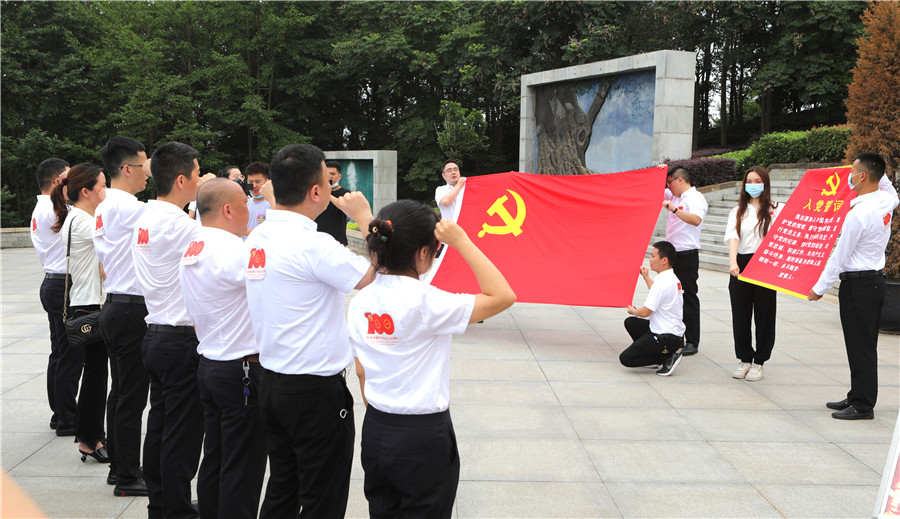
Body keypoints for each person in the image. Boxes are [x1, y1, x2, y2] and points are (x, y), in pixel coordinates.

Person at [348, 200, 515, 518]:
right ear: (423, 252)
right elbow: (503, 295)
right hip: (422, 436)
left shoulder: (360, 302)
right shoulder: (427, 301)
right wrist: (462, 242)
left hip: (377, 427)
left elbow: (360, 371)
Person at [244, 143, 376, 517]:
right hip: (314, 393)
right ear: (316, 191)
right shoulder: (314, 245)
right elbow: (372, 275)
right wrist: (364, 217)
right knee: (323, 498)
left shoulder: (258, 237)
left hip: (272, 383)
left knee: (283, 488)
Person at [179, 179, 266, 519]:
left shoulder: (195, 244)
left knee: (215, 457)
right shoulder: (232, 250)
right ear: (228, 209)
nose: (250, 211)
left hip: (212, 363)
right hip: (240, 368)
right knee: (242, 466)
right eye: (245, 203)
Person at [132, 142, 204, 518]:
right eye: (197, 174)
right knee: (182, 434)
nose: (200, 180)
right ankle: (176, 510)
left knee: (160, 425)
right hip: (179, 340)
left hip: (157, 334)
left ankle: (160, 503)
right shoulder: (180, 226)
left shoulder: (146, 217)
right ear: (181, 180)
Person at [809, 152, 899, 420]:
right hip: (872, 282)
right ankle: (857, 394)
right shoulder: (886, 200)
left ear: (862, 176)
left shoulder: (859, 214)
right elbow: (888, 187)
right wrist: (877, 170)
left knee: (860, 346)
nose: (849, 176)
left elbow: (840, 256)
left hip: (858, 285)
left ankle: (863, 405)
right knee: (862, 344)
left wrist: (819, 288)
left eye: (853, 171)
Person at [95, 136, 151, 495]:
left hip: (117, 304)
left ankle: (121, 466)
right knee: (131, 397)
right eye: (144, 165)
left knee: (120, 393)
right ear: (127, 168)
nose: (148, 172)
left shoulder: (107, 205)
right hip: (131, 308)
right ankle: (128, 476)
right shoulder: (129, 207)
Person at [50, 163, 110, 464]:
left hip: (85, 302)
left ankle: (90, 436)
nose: (106, 191)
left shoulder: (76, 218)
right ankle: (90, 438)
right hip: (90, 305)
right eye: (103, 185)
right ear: (86, 191)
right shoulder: (85, 222)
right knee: (96, 377)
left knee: (95, 376)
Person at [30, 158, 76, 436]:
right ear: (59, 180)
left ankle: (60, 413)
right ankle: (67, 418)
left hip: (54, 283)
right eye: (71, 178)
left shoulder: (43, 207)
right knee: (69, 355)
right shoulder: (55, 209)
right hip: (63, 286)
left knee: (60, 352)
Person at [725, 166, 783, 382]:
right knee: (740, 314)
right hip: (741, 264)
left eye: (758, 181)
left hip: (765, 264)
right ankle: (745, 359)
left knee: (765, 315)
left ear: (765, 183)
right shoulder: (737, 211)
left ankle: (759, 362)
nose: (753, 185)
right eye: (749, 181)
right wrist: (733, 263)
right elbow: (733, 237)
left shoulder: (776, 209)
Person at [620, 240, 685, 376]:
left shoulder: (662, 283)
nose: (650, 260)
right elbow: (658, 293)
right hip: (674, 335)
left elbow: (645, 312)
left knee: (626, 358)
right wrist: (646, 277)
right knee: (631, 322)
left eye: (653, 256)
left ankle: (666, 358)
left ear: (664, 260)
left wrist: (633, 311)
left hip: (666, 337)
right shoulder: (671, 278)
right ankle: (656, 354)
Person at [663, 165, 708, 356]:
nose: (668, 187)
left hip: (687, 254)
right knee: (673, 298)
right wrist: (660, 171)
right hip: (672, 254)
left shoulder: (695, 198)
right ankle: (676, 336)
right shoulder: (673, 196)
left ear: (680, 179)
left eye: (670, 182)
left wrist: (674, 210)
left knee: (688, 297)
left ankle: (692, 341)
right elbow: (654, 188)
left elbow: (696, 220)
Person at [315, 160, 350, 244]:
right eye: (327, 174)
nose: (330, 176)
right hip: (318, 238)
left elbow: (343, 206)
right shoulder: (317, 191)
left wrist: (328, 193)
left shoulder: (345, 193)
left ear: (339, 176)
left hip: (337, 239)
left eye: (333, 174)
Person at [245, 161, 270, 232]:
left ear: (267, 181)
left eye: (258, 182)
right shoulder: (245, 204)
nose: (254, 186)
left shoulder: (272, 205)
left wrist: (244, 231)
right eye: (250, 182)